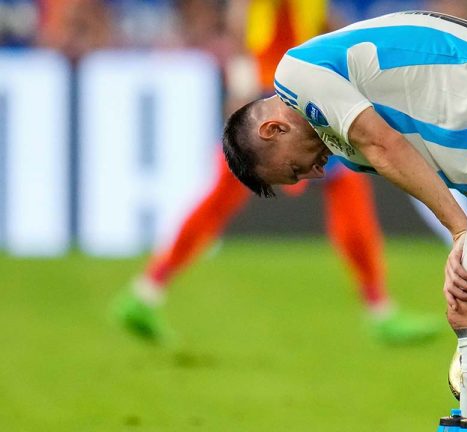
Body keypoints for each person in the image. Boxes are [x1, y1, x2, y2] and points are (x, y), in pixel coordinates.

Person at [221, 11, 467, 420]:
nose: (315, 173)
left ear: (273, 130)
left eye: (295, 169)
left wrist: (461, 231)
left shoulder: (295, 72)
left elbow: (385, 144)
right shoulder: (343, 114)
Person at [113, 0, 442, 346]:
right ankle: (380, 311)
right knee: (335, 191)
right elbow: (243, 26)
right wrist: (242, 90)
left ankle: (146, 291)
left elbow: (321, 23)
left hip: (288, 92)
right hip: (278, 99)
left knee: (233, 200)